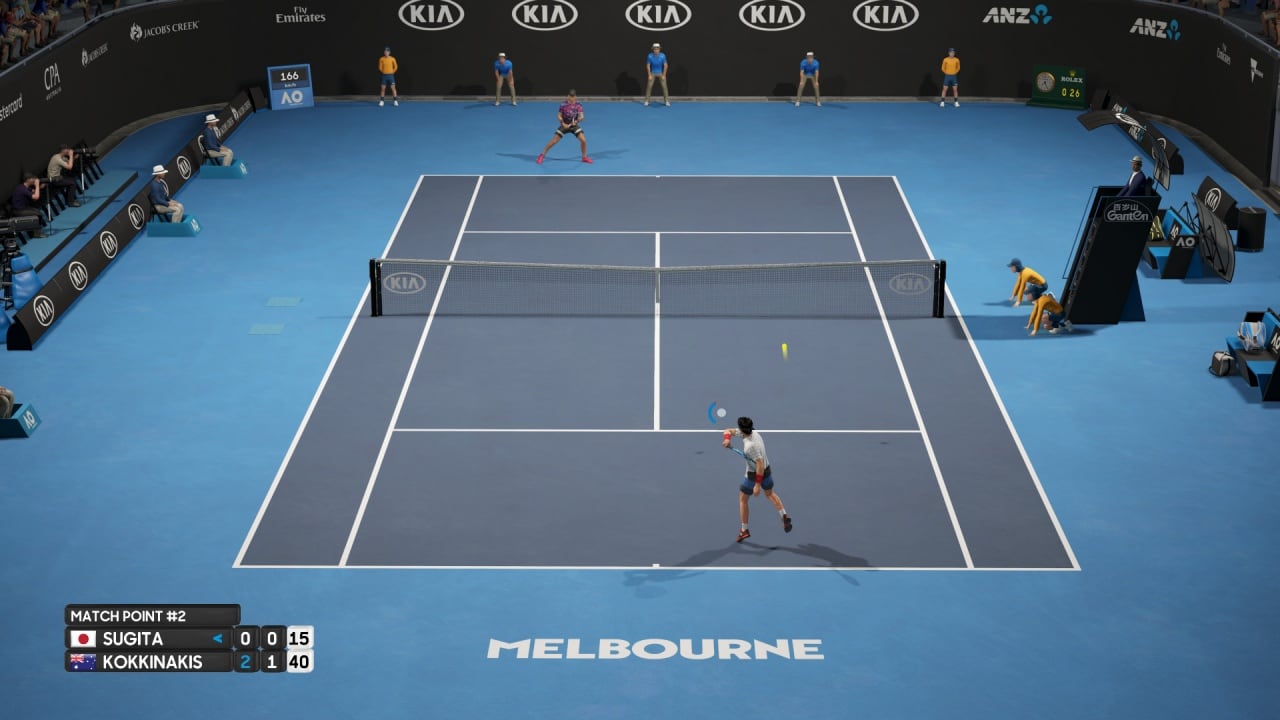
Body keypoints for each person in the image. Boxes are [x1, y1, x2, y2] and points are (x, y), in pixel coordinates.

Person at [723, 416, 792, 543]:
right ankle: (784, 515)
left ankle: (744, 530)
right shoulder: (754, 432)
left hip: (754, 474)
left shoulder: (750, 446)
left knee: (743, 499)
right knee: (770, 493)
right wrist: (727, 439)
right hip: (767, 469)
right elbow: (728, 430)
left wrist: (757, 485)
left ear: (742, 429)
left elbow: (759, 465)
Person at [536, 90, 591, 165]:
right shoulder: (563, 104)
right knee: (554, 141)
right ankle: (542, 155)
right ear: (568, 96)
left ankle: (584, 157)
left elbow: (582, 117)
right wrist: (562, 123)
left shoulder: (579, 105)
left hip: (574, 125)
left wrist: (576, 122)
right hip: (564, 125)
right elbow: (559, 115)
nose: (572, 98)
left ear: (575, 96)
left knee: (583, 140)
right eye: (570, 96)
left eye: (573, 96)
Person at [644, 42, 668, 107]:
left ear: (659, 49)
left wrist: (664, 75)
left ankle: (666, 101)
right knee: (649, 87)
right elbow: (648, 65)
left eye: (657, 49)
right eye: (655, 49)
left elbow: (665, 65)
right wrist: (649, 75)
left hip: (660, 73)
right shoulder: (650, 56)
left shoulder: (663, 56)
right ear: (653, 49)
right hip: (653, 73)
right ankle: (646, 101)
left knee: (664, 87)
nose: (656, 50)